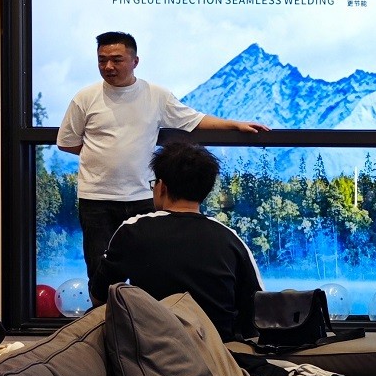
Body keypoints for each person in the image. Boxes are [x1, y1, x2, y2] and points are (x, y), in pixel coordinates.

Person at [57, 30, 268, 293]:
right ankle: (107, 318)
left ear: (135, 61)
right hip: (96, 198)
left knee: (151, 268)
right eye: (102, 60)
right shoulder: (85, 97)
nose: (108, 66)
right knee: (99, 272)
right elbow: (67, 141)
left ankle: (148, 317)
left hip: (143, 196)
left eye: (116, 59)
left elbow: (193, 120)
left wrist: (234, 125)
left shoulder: (155, 95)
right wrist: (102, 155)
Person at [89, 141, 262, 340]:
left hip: (150, 351)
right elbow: (256, 310)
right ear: (205, 191)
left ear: (161, 187)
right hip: (217, 352)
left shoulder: (133, 230)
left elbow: (99, 297)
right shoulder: (230, 238)